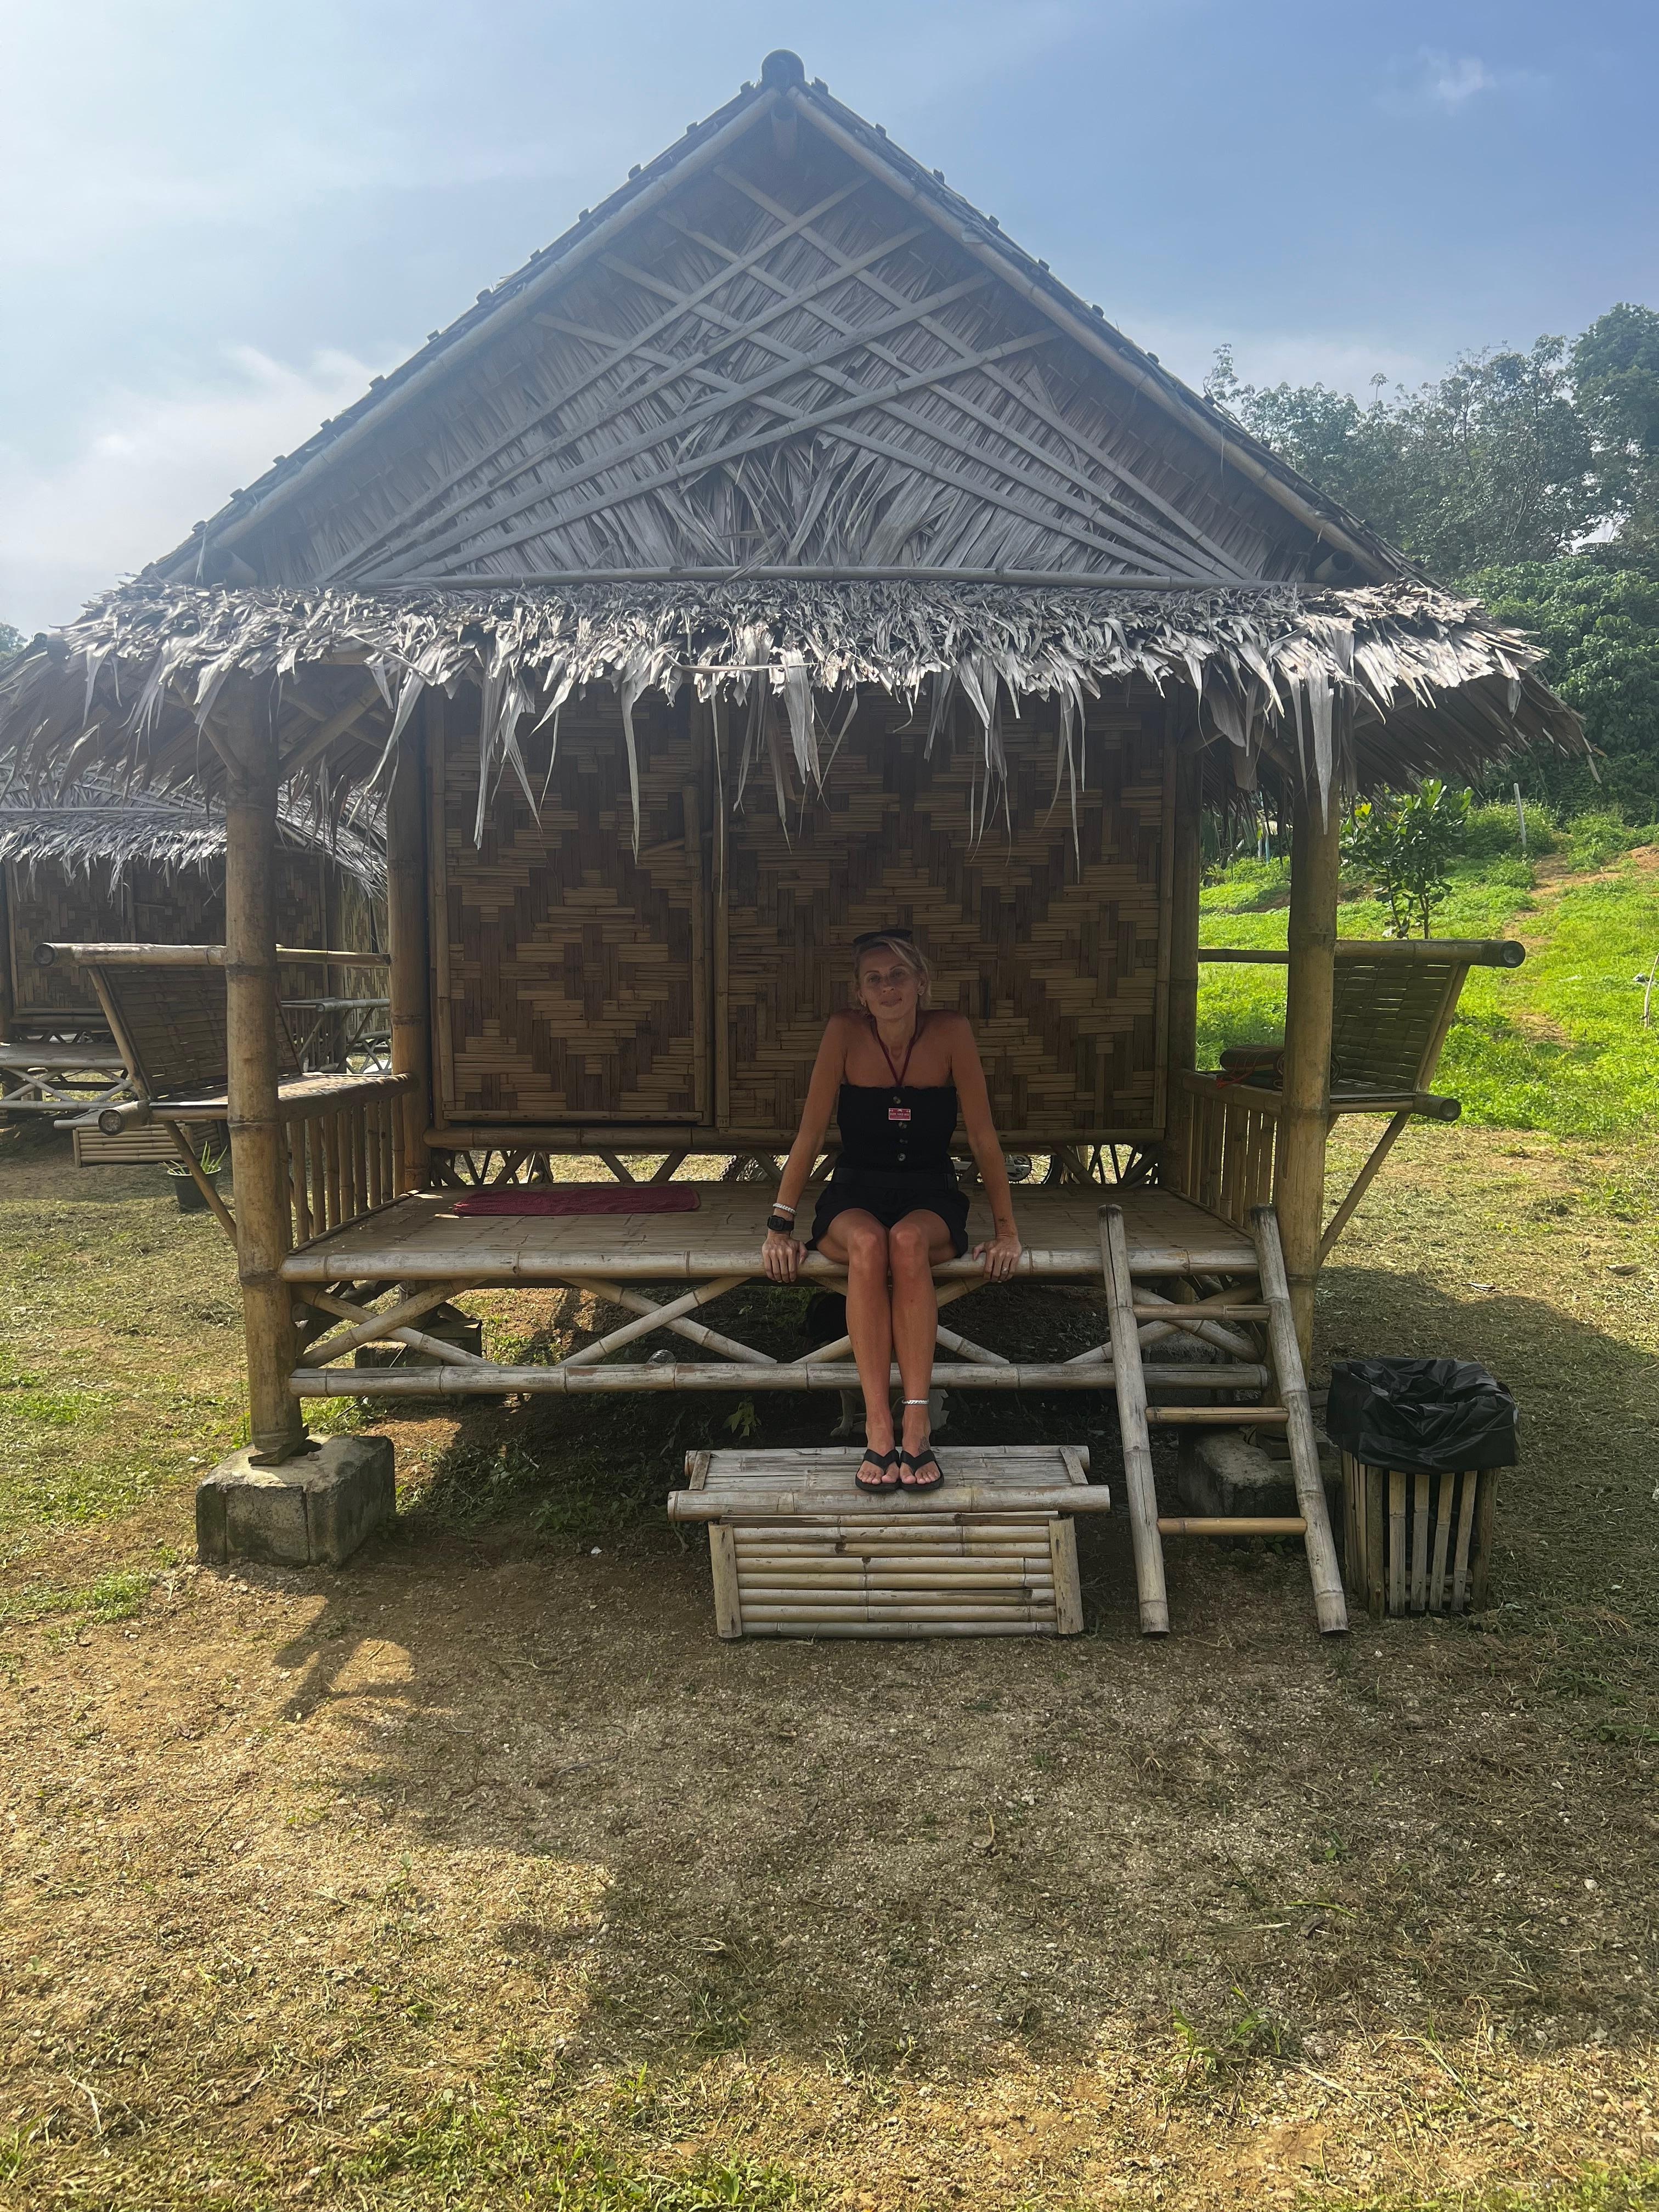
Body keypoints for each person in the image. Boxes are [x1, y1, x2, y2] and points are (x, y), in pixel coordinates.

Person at [761, 929, 1023, 1494]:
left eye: (899, 975)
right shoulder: (844, 1032)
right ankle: (878, 1425)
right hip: (854, 1192)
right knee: (868, 1243)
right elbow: (810, 1133)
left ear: (921, 982)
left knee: (905, 1242)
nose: (888, 988)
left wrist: (1008, 1232)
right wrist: (779, 1227)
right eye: (874, 979)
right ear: (860, 993)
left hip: (929, 1193)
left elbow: (983, 1137)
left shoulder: (951, 1032)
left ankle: (917, 1422)